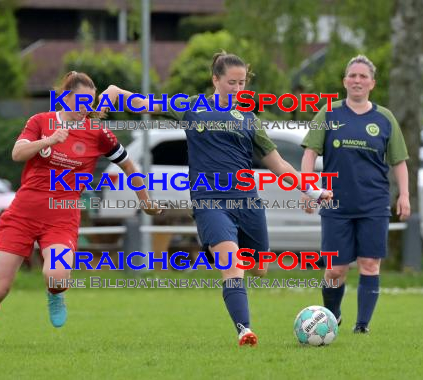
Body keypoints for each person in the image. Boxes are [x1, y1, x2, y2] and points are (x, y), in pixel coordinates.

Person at [102, 52, 332, 346]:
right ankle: (244, 330)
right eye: (231, 82)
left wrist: (314, 190)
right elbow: (147, 103)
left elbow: (281, 167)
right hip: (209, 200)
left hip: (247, 202)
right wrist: (115, 93)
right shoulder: (192, 108)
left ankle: (220, 252)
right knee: (232, 263)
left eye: (242, 83)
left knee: (259, 268)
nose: (237, 89)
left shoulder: (249, 119)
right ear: (215, 80)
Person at [0, 71, 161, 348]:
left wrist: (145, 200)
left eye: (90, 102)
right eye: (81, 101)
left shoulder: (97, 133)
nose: (86, 108)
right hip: (22, 215)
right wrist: (49, 141)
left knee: (55, 275)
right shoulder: (40, 121)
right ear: (64, 97)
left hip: (61, 217)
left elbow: (128, 165)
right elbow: (17, 154)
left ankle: (55, 293)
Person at [301, 55, 411, 334]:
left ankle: (362, 326)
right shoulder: (328, 114)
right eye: (353, 76)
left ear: (372, 83)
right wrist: (308, 188)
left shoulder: (384, 118)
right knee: (336, 269)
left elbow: (399, 161)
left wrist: (404, 195)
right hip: (335, 204)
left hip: (373, 204)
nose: (358, 80)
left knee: (370, 263)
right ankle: (332, 314)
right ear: (344, 81)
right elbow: (310, 153)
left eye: (363, 76)